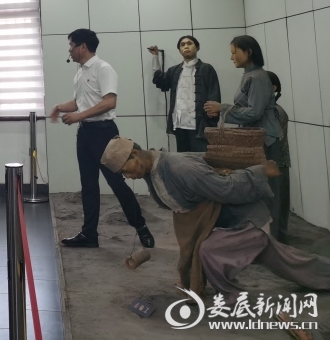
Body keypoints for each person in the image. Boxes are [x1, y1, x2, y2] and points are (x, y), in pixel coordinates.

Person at [102, 136, 330, 305]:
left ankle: (234, 297)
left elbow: (226, 187)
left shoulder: (179, 168)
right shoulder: (153, 171)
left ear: (136, 154)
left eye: (125, 170)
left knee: (209, 251)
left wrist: (259, 172)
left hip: (241, 219)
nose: (128, 177)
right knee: (287, 260)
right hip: (220, 222)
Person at [49, 29, 154, 249]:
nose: (69, 50)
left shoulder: (103, 69)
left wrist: (79, 116)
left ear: (82, 46)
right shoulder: (79, 73)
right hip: (85, 134)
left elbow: (109, 102)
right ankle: (89, 235)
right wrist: (60, 107)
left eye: (71, 45)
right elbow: (79, 103)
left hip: (104, 133)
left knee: (116, 183)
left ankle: (141, 227)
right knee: (88, 185)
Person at [203, 36, 282, 235]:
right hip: (254, 139)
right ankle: (258, 234)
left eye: (234, 52)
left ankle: (270, 236)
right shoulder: (250, 75)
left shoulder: (257, 77)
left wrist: (223, 108)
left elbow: (255, 112)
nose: (231, 57)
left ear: (248, 51)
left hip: (264, 140)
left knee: (265, 189)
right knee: (256, 187)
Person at [148, 36, 220, 153]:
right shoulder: (174, 71)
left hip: (200, 126)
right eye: (182, 45)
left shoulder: (207, 69)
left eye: (189, 43)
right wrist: (155, 57)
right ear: (179, 50)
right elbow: (159, 80)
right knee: (183, 160)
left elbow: (214, 94)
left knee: (201, 159)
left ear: (197, 47)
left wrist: (212, 118)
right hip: (180, 125)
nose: (186, 46)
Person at [266, 71, 291, 242]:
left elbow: (275, 139)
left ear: (273, 88)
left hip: (278, 163)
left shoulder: (277, 112)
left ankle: (279, 240)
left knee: (277, 204)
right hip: (270, 163)